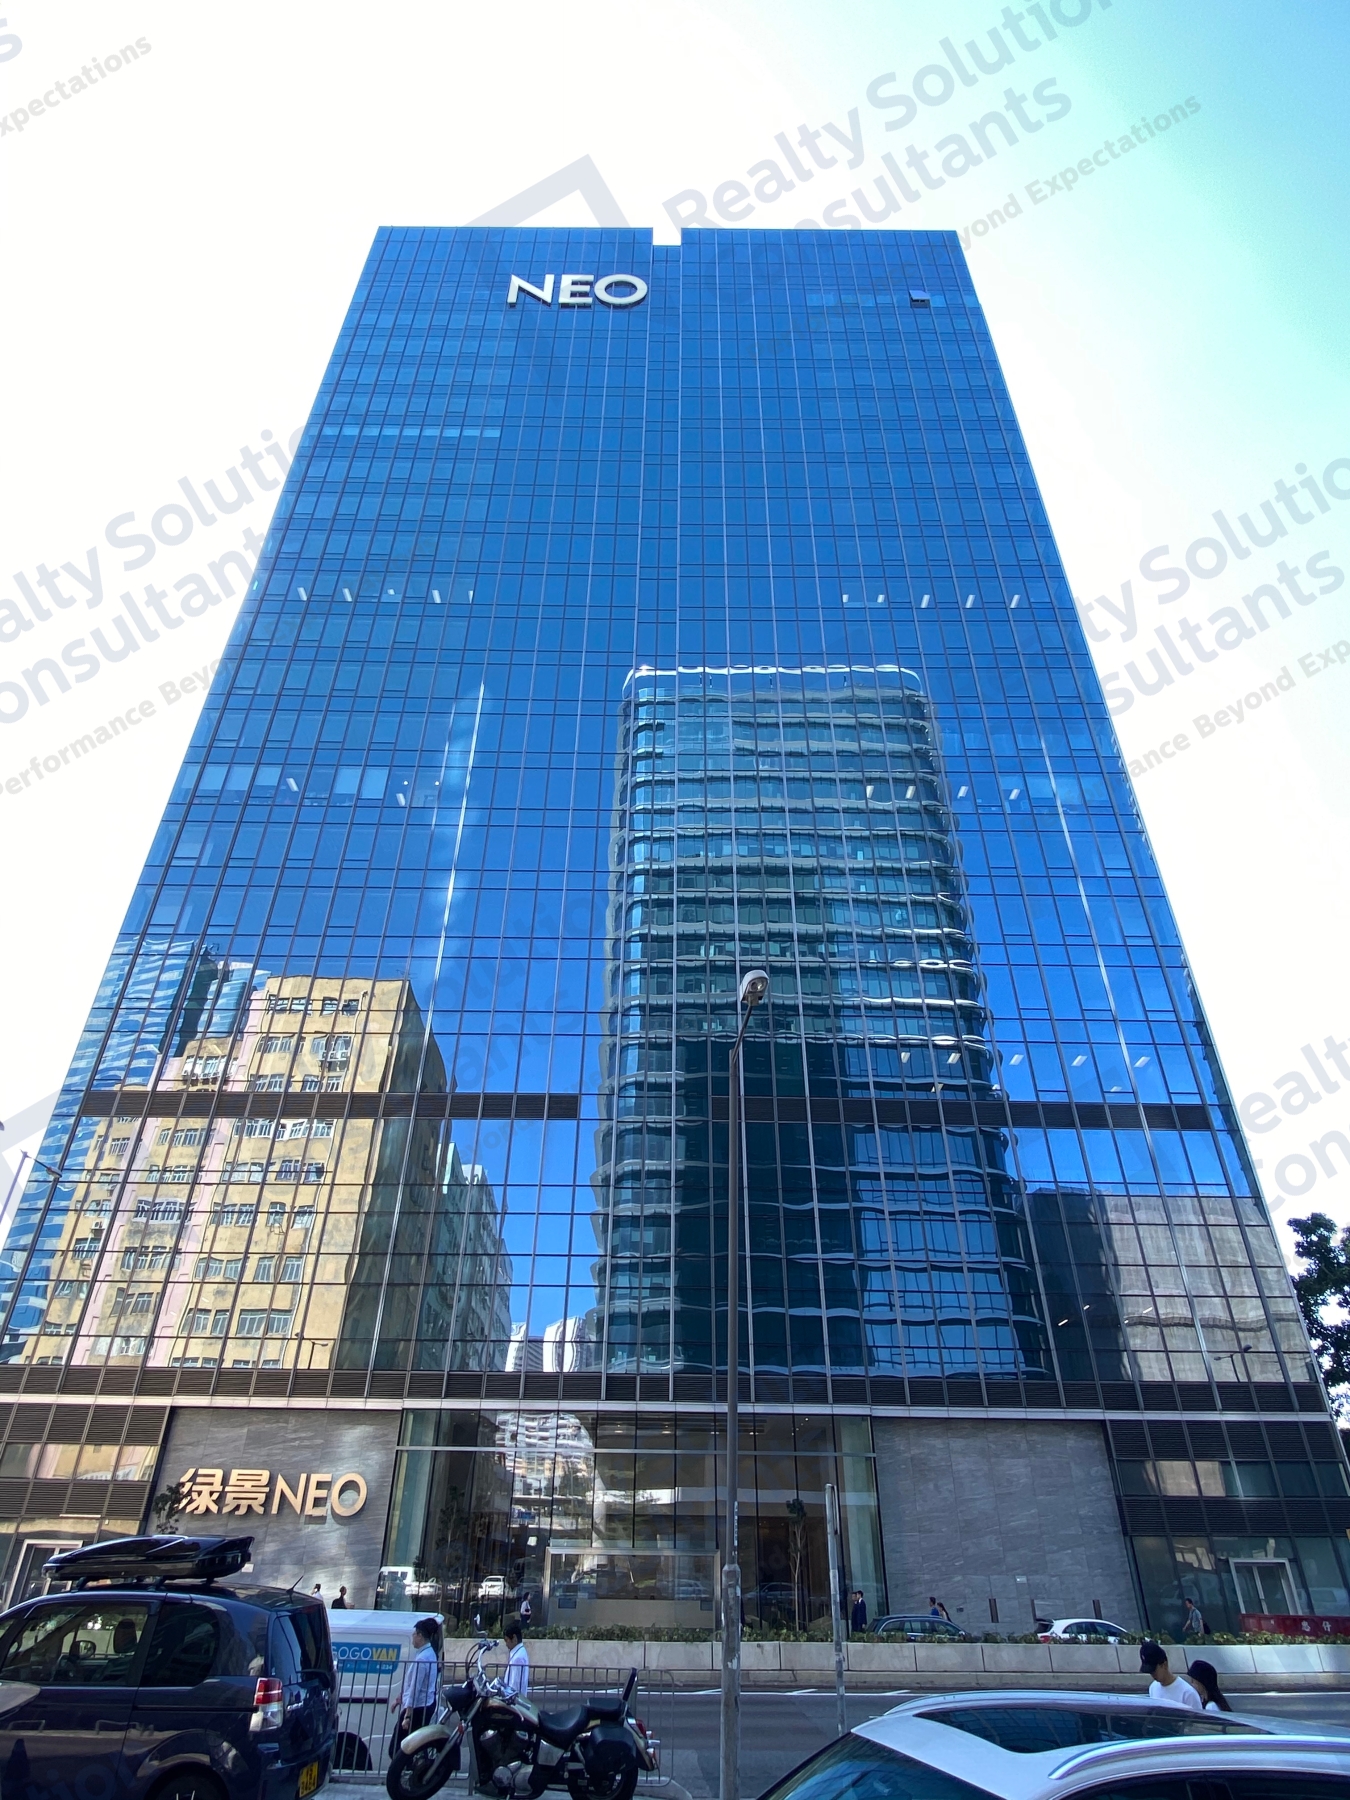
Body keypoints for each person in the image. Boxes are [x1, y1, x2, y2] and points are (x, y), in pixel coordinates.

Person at [389, 1617, 442, 1758]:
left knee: (398, 1749)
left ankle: (408, 1770)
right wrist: (400, 1699)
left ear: (420, 1636)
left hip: (418, 1708)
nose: (412, 1637)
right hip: (423, 1705)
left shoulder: (423, 1659)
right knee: (412, 1748)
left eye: (414, 1634)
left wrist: (407, 1716)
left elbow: (415, 1688)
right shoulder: (428, 1654)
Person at [1139, 1640, 1202, 1711]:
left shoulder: (1188, 1694)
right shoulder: (1153, 1688)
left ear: (1164, 1665)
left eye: (1154, 1671)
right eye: (1150, 1672)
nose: (1152, 1675)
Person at [500, 1616, 529, 1698]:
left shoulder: (518, 1658)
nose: (506, 1644)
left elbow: (515, 1684)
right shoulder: (519, 1652)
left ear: (514, 1638)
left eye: (507, 1640)